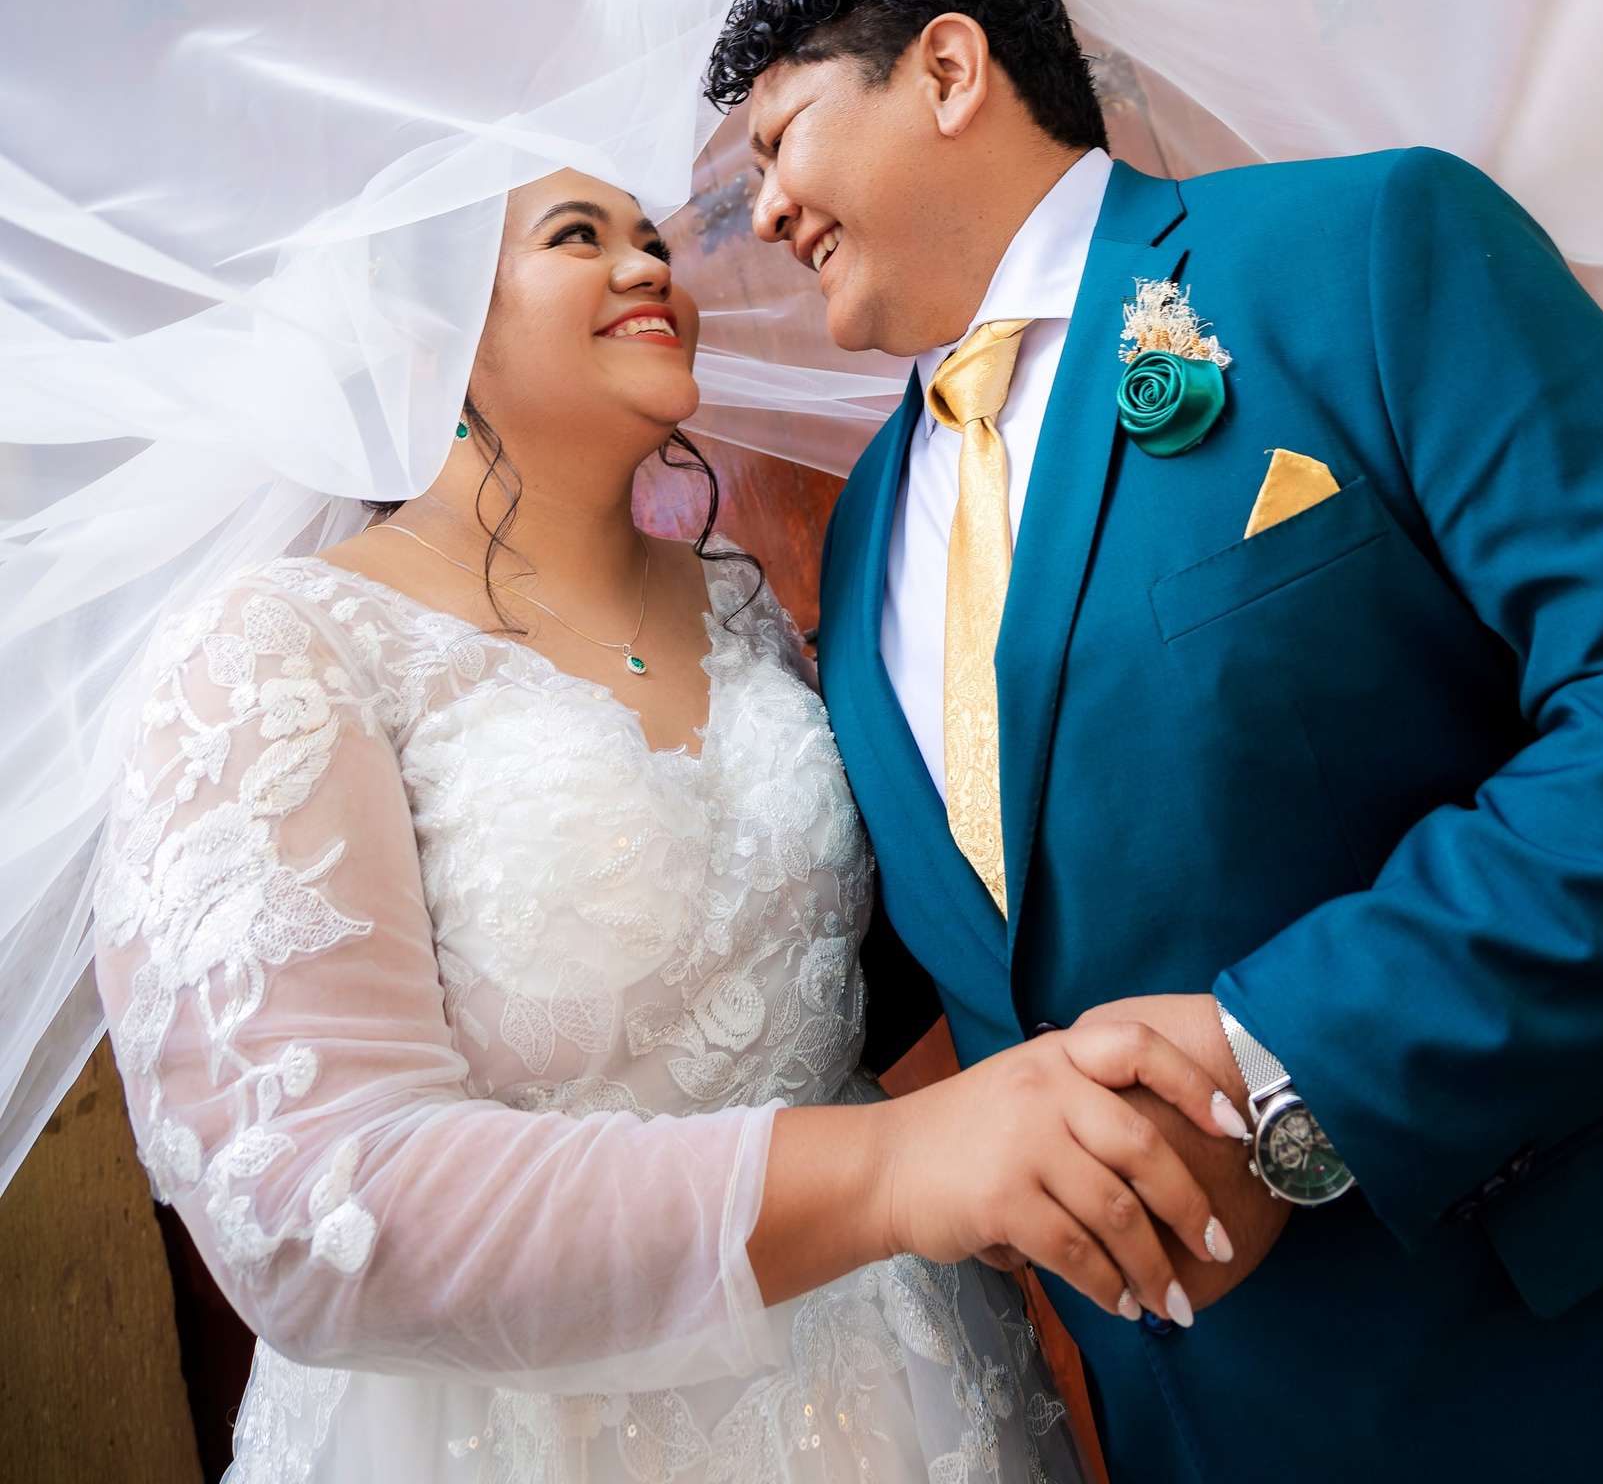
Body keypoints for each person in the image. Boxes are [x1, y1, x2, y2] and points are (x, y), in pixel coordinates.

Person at [709, 0, 1603, 1484]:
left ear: (948, 70)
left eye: (782, 139)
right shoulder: (869, 521)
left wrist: (1285, 1064)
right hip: (1220, 1427)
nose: (765, 209)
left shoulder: (1362, 250)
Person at [95, 164, 1251, 1483]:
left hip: (900, 1388)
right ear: (427, 329)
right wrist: (896, 1165)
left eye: (649, 239)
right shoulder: (279, 653)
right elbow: (313, 1211)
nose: (650, 265)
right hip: (515, 1431)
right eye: (576, 237)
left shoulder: (744, 610)